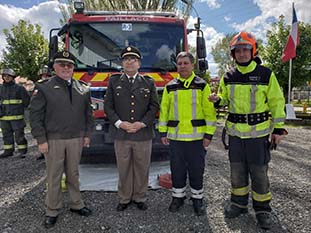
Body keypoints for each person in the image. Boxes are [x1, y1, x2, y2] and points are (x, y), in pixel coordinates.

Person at [208, 32, 287, 229]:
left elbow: (277, 102)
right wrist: (217, 100)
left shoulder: (265, 74)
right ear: (233, 54)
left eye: (245, 50)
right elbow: (224, 98)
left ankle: (262, 210)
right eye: (238, 51)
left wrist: (278, 129)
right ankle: (238, 204)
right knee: (237, 172)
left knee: (259, 173)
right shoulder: (228, 76)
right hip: (235, 134)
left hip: (258, 135)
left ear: (253, 51)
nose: (242, 53)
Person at [29, 51, 94, 228]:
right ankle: (52, 209)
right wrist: (41, 139)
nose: (66, 68)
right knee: (54, 175)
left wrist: (87, 134)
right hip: (53, 140)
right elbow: (35, 116)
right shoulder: (43, 87)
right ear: (55, 67)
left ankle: (76, 204)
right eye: (62, 64)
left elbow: (88, 114)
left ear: (74, 68)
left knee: (73, 174)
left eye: (69, 65)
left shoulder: (83, 88)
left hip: (76, 139)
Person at [158, 52, 217, 216]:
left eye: (185, 63)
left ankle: (197, 199)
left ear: (192, 65)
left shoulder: (202, 85)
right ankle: (178, 197)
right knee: (177, 169)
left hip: (196, 139)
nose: (182, 66)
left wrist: (208, 135)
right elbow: (164, 111)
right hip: (176, 139)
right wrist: (163, 132)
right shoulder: (170, 86)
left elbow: (209, 112)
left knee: (196, 169)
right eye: (179, 63)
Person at [104, 46, 159, 211]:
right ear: (122, 63)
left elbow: (154, 106)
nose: (129, 62)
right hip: (121, 134)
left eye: (133, 59)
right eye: (126, 59)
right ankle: (124, 198)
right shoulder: (114, 81)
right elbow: (108, 107)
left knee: (142, 167)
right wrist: (120, 123)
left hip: (143, 133)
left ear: (139, 63)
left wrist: (141, 123)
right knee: (124, 167)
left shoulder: (148, 82)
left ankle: (140, 197)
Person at [0, 68, 30, 159]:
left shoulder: (20, 88)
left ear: (13, 77)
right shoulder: (0, 89)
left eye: (8, 76)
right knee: (6, 135)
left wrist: (20, 110)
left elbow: (26, 101)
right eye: (4, 76)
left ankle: (22, 151)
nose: (6, 77)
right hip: (4, 118)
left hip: (17, 118)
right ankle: (8, 151)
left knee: (19, 136)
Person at [36, 65, 52, 160]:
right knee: (41, 133)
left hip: (51, 114)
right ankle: (42, 153)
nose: (44, 77)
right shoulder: (38, 86)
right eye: (42, 75)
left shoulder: (53, 85)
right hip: (42, 114)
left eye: (46, 75)